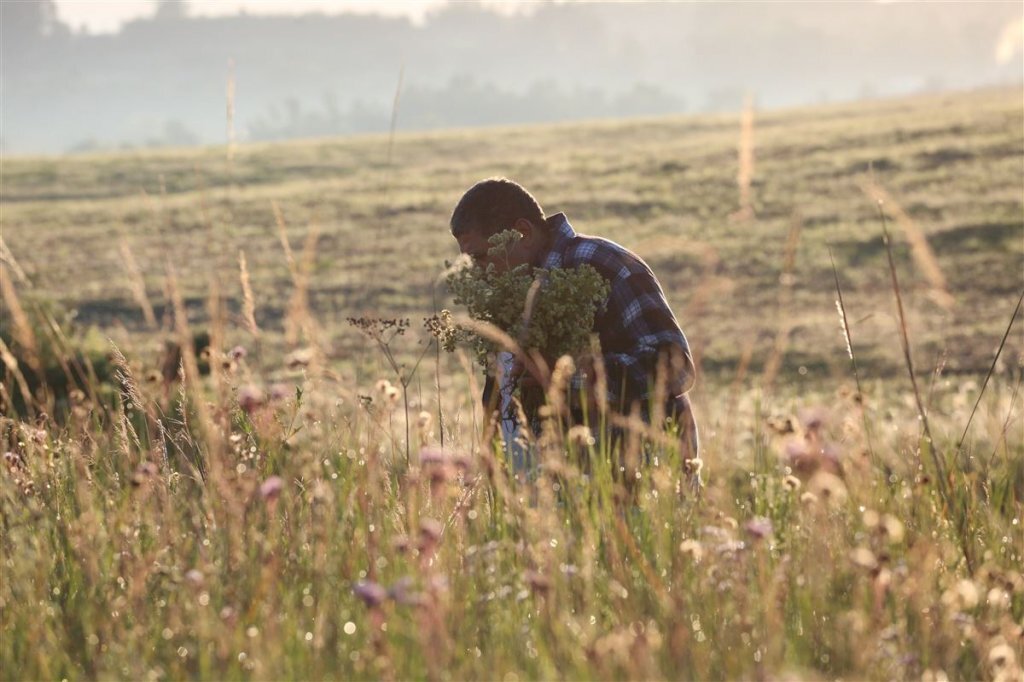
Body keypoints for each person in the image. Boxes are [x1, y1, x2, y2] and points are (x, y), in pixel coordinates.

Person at [449, 177, 699, 468]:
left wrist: (566, 378)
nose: (478, 274)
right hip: (543, 492)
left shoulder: (601, 263)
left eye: (479, 257)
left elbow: (676, 367)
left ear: (522, 233)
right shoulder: (506, 296)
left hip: (635, 481)